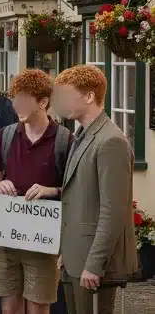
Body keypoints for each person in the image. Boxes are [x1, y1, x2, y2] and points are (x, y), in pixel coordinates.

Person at [0, 69, 73, 314]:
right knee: (9, 308)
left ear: (43, 102)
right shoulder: (5, 136)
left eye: (24, 100)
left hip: (42, 240)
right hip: (6, 236)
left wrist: (51, 190)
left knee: (38, 306)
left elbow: (73, 190)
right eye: (15, 99)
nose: (16, 105)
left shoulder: (64, 140)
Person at [53, 66, 137, 314]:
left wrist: (95, 264)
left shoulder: (111, 141)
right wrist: (64, 252)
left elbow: (114, 211)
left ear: (89, 96)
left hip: (93, 264)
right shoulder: (81, 135)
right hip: (74, 258)